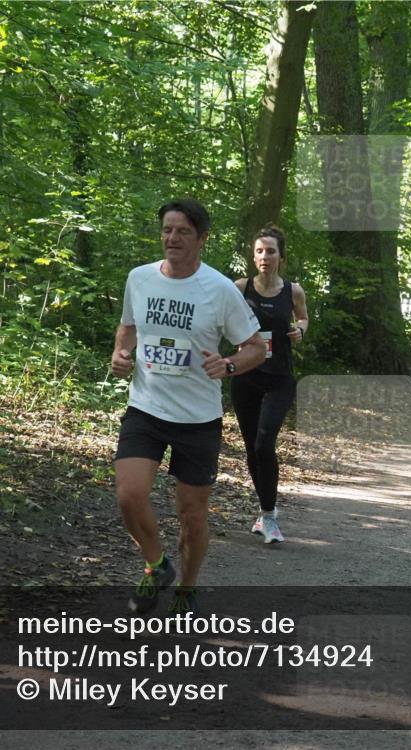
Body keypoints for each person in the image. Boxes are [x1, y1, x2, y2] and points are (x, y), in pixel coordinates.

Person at [111, 198, 265, 615]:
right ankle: (157, 565)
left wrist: (229, 363)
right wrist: (121, 355)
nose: (172, 238)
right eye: (166, 230)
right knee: (130, 494)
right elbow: (127, 328)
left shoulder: (218, 290)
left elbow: (256, 348)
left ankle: (188, 586)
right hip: (146, 407)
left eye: (182, 231)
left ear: (202, 238)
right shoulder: (139, 279)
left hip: (198, 418)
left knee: (192, 515)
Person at [230, 225, 309, 544]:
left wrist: (301, 330)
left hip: (279, 378)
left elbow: (303, 317)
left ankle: (271, 517)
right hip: (246, 377)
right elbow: (222, 319)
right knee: (252, 448)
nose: (265, 256)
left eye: (271, 251)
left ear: (281, 256)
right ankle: (264, 513)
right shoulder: (239, 288)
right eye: (260, 251)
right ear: (253, 255)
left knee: (265, 444)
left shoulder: (293, 291)